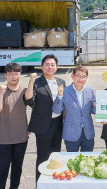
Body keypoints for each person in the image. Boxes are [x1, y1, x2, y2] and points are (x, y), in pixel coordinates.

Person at [23, 54, 66, 183]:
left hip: (58, 124)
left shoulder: (61, 82)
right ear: (42, 67)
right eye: (47, 64)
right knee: (42, 157)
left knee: (56, 156)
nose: (50, 67)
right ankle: (40, 184)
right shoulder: (36, 82)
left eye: (52, 65)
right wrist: (31, 81)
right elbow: (28, 100)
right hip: (43, 126)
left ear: (56, 67)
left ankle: (54, 183)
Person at [0, 63, 29, 189]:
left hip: (21, 138)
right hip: (3, 138)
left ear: (20, 74)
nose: (14, 76)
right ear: (6, 75)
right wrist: (2, 94)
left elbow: (37, 108)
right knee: (2, 169)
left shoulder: (24, 91)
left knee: (17, 169)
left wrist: (30, 128)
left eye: (16, 73)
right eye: (11, 74)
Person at [52, 66, 96, 152]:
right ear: (72, 76)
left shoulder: (90, 91)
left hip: (88, 133)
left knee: (88, 161)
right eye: (78, 76)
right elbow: (56, 110)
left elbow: (93, 111)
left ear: (86, 78)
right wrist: (59, 97)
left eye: (83, 76)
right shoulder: (65, 91)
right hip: (71, 134)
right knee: (72, 161)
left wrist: (96, 106)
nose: (81, 79)